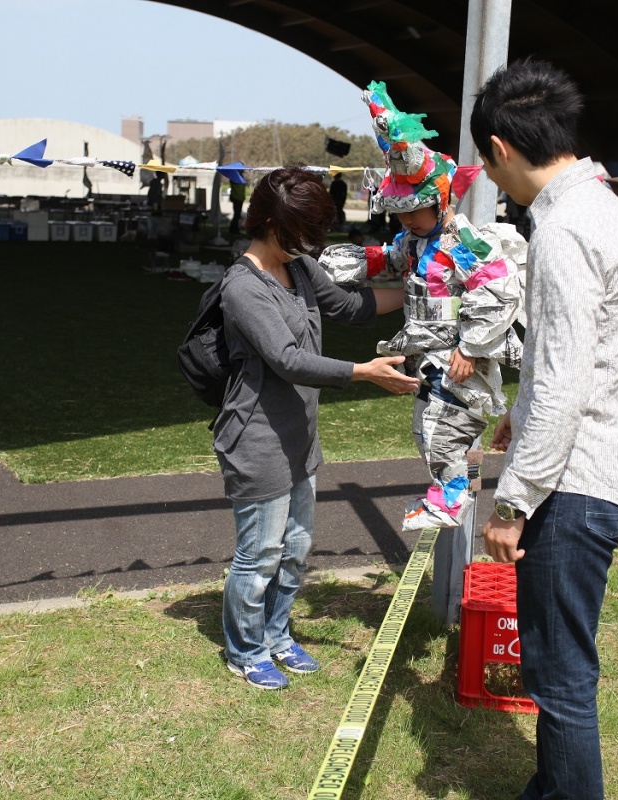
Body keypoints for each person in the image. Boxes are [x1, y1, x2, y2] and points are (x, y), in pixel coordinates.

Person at [471, 59, 618, 800]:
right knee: (562, 663)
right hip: (604, 457)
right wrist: (521, 420)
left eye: (489, 168)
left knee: (559, 675)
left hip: (579, 481)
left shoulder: (562, 232)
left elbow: (560, 382)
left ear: (500, 150)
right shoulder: (606, 209)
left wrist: (513, 501)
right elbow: (607, 348)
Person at [217, 166, 419, 690]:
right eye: (296, 234)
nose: (305, 245)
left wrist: (420, 288)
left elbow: (351, 307)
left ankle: (278, 634)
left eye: (312, 235)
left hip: (300, 435)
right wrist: (363, 372)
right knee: (259, 552)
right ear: (264, 222)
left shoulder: (300, 267)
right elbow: (288, 360)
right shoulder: (243, 287)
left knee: (297, 545)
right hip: (257, 439)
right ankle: (246, 649)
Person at [318, 82, 526, 532]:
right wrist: (357, 261)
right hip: (427, 356)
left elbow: (500, 290)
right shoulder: (415, 240)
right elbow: (391, 257)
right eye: (400, 211)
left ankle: (450, 501)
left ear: (441, 199)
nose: (407, 219)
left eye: (415, 209)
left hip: (455, 358)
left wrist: (471, 348)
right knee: (427, 431)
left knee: (442, 431)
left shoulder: (462, 242)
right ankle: (445, 493)